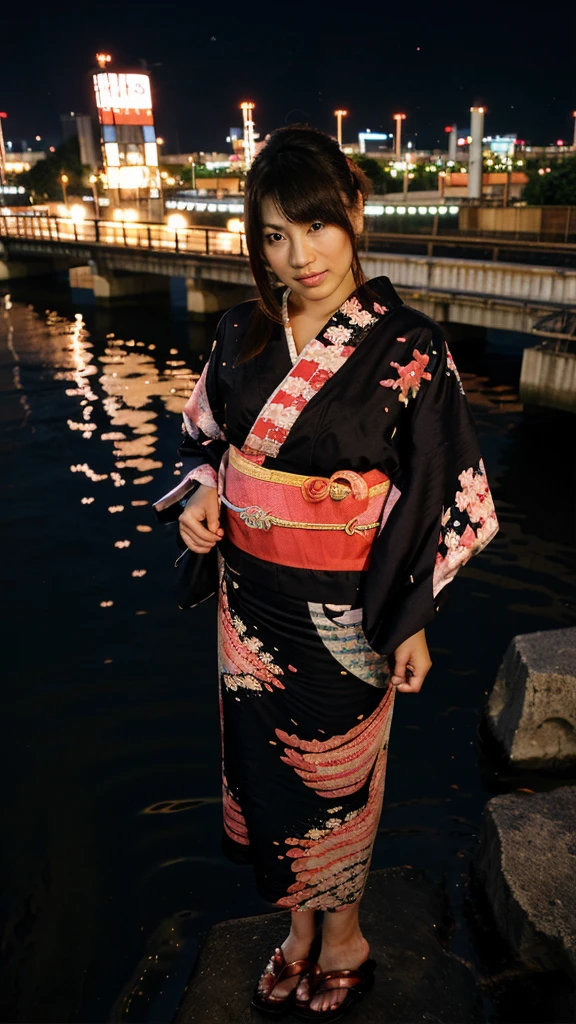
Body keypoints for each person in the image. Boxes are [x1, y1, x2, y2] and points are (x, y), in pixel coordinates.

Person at [154, 125, 499, 1022]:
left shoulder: (410, 346)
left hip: (350, 613)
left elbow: (444, 489)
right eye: (273, 235)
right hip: (251, 611)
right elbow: (203, 438)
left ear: (352, 213)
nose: (297, 256)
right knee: (268, 773)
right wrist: (203, 497)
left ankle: (342, 936)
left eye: (314, 227)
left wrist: (410, 615)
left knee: (339, 780)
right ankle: (298, 930)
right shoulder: (239, 334)